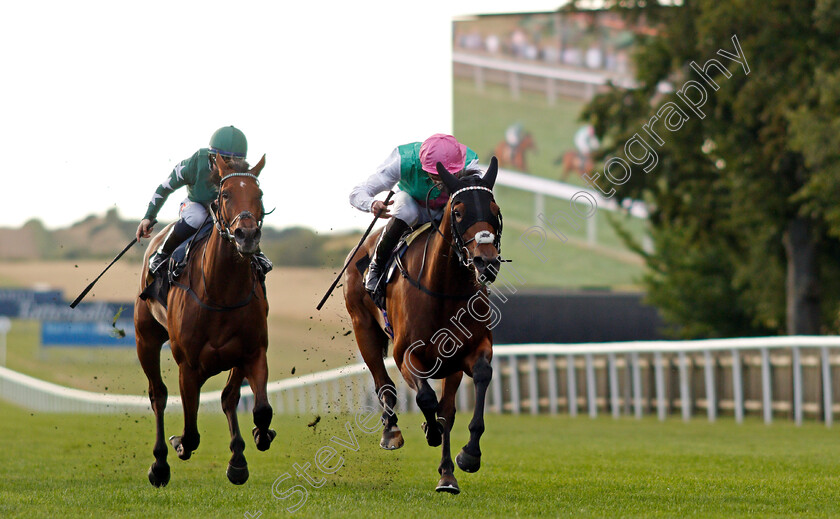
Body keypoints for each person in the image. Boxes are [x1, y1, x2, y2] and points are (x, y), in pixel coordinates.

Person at [349, 134, 479, 295]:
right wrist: (372, 204)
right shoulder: (403, 160)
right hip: (413, 205)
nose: (443, 182)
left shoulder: (470, 161)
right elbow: (357, 193)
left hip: (448, 210)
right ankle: (376, 265)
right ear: (423, 166)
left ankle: (480, 264)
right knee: (405, 210)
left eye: (451, 174)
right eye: (437, 176)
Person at [136, 125, 265, 274]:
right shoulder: (194, 164)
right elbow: (165, 187)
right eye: (224, 159)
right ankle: (161, 254)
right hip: (196, 205)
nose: (230, 165)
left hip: (225, 211)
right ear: (212, 156)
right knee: (197, 217)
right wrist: (148, 217)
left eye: (236, 160)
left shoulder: (241, 174)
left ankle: (257, 254)